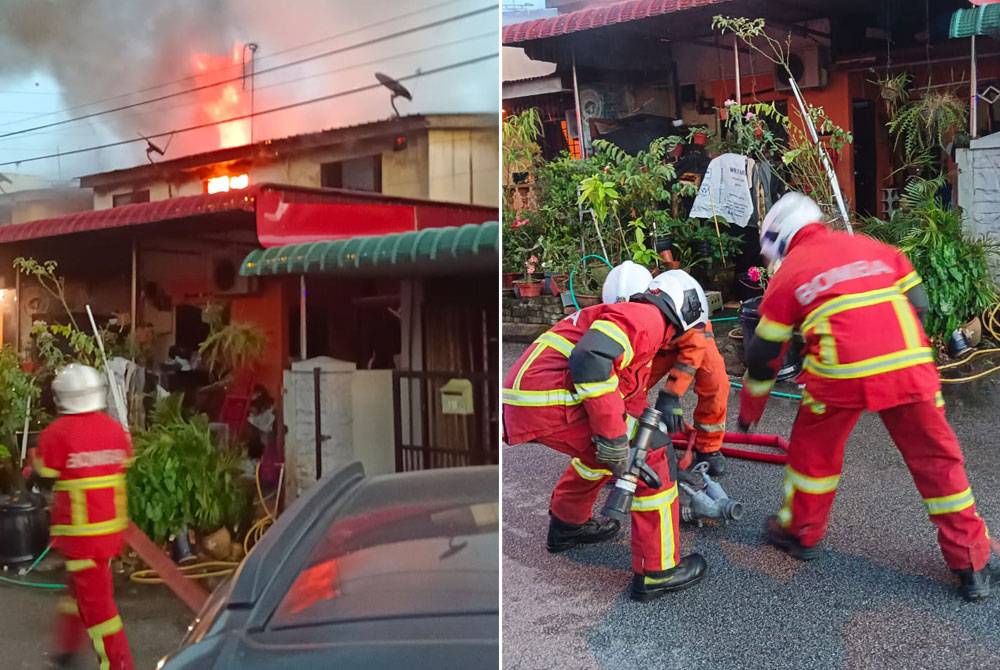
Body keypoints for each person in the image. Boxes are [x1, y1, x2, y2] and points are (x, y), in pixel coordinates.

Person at [738, 192, 995, 601]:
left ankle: (801, 534)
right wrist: (902, 350)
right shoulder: (876, 248)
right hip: (910, 369)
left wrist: (749, 414)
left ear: (780, 240)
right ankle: (971, 562)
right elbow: (919, 303)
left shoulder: (789, 275)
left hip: (840, 377)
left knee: (812, 457)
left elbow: (764, 357)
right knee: (939, 463)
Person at [502, 272, 709, 601]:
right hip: (552, 400)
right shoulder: (648, 319)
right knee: (651, 452)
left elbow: (628, 398)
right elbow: (590, 358)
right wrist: (618, 438)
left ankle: (567, 527)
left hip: (532, 400)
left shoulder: (638, 323)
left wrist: (629, 437)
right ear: (684, 314)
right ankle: (657, 571)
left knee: (608, 451)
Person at [33, 364, 135, 668]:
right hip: (111, 534)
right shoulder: (114, 429)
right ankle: (65, 649)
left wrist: (33, 466)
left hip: (81, 539)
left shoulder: (57, 433)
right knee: (77, 591)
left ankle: (119, 665)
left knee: (100, 611)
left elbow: (44, 474)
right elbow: (123, 462)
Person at [602, 262, 730, 477]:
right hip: (652, 345)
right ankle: (626, 448)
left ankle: (708, 448)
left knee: (716, 383)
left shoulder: (682, 301)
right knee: (625, 392)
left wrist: (671, 395)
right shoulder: (616, 313)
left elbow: (693, 350)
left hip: (690, 335)